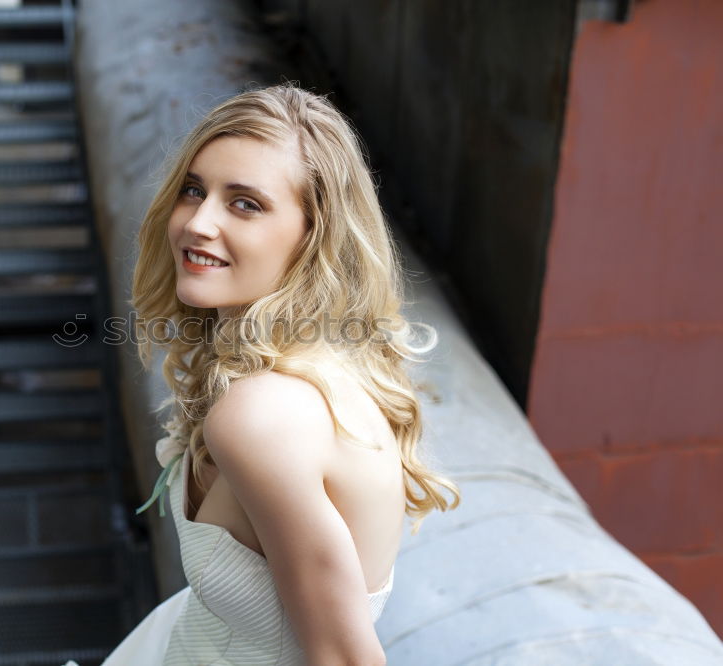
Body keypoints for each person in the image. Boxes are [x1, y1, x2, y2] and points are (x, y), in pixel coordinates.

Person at [97, 82, 460, 665]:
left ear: (312, 236)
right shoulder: (311, 362)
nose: (197, 222)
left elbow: (345, 659)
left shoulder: (262, 416)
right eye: (194, 190)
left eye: (245, 203)